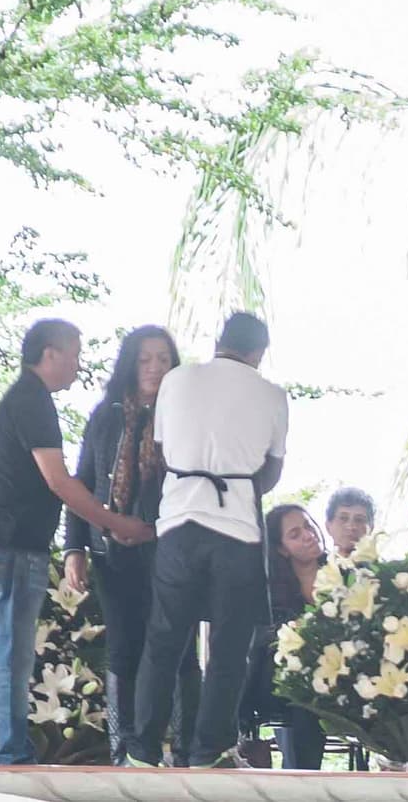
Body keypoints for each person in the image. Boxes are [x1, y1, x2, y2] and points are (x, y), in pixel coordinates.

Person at [0, 318, 153, 765]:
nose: (77, 363)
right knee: (9, 651)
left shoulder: (22, 398)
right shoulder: (33, 401)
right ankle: (9, 752)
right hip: (12, 544)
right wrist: (113, 522)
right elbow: (59, 481)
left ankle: (1, 747)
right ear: (50, 353)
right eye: (74, 353)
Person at [127, 312, 289, 769]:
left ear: (220, 341)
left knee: (163, 639)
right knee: (229, 645)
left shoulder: (177, 380)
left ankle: (141, 751)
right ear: (258, 352)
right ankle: (209, 750)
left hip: (178, 523)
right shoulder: (272, 395)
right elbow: (270, 473)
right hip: (236, 528)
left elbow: (159, 451)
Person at [62, 325, 201, 765]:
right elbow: (82, 484)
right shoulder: (106, 416)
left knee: (177, 648)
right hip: (113, 554)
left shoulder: (188, 417)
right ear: (130, 363)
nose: (155, 367)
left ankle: (183, 746)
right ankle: (126, 748)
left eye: (163, 358)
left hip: (172, 550)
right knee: (123, 647)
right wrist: (75, 548)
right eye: (145, 359)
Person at [239, 504, 334, 769]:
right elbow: (265, 644)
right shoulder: (269, 592)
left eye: (309, 526)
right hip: (282, 681)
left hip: (337, 679)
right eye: (295, 534)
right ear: (281, 548)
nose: (308, 535)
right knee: (306, 695)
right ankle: (303, 783)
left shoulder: (342, 576)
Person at [325, 487, 375, 558]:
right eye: (343, 518)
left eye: (359, 520)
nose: (351, 527)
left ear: (371, 528)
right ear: (328, 526)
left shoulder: (385, 568)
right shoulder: (314, 567)